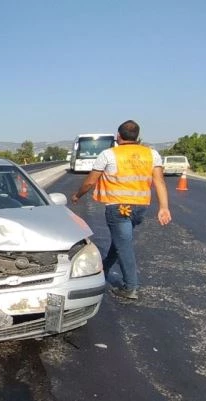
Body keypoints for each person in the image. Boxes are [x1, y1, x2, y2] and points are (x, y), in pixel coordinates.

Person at [72, 120, 171, 300]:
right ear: (138, 137)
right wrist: (164, 207)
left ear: (118, 136)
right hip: (140, 207)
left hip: (119, 207)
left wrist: (78, 195)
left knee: (124, 245)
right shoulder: (152, 154)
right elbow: (159, 181)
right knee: (120, 240)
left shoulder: (109, 154)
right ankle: (104, 268)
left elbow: (90, 181)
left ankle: (130, 287)